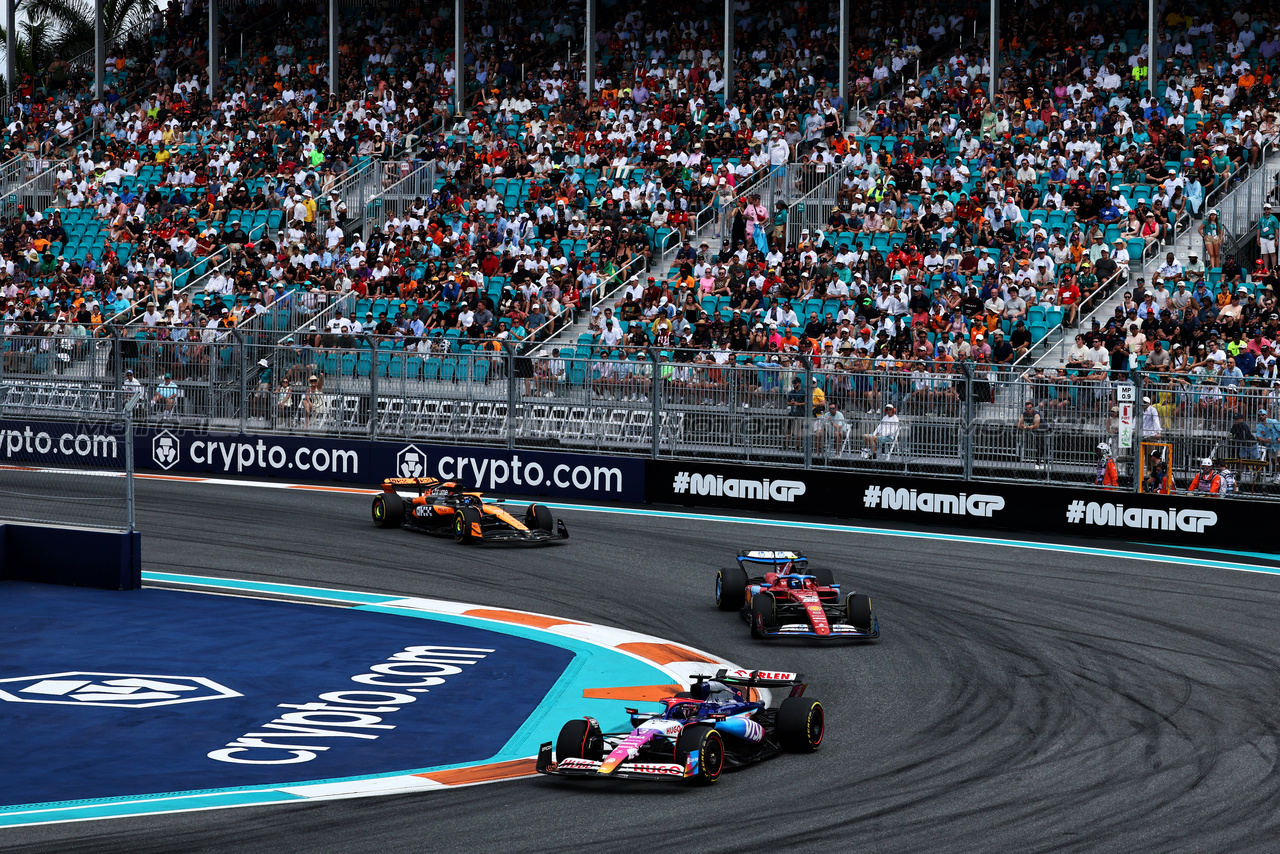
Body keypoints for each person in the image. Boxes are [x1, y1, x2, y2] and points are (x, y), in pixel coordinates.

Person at [784, 377, 806, 449]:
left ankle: (798, 446)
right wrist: (791, 403)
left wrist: (798, 404)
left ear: (799, 383)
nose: (794, 384)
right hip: (792, 413)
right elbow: (787, 402)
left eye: (795, 383)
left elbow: (806, 403)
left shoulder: (803, 392)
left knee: (799, 430)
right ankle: (786, 445)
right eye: (793, 383)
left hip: (800, 413)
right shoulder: (791, 392)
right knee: (789, 429)